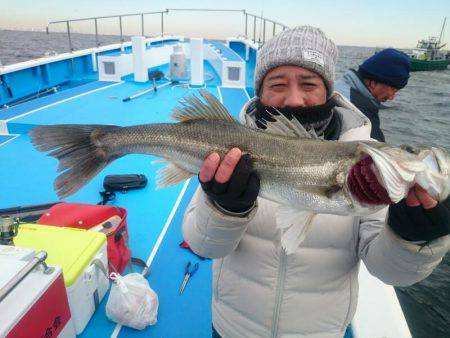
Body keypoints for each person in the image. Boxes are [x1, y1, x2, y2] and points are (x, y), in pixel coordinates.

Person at [182, 26, 450, 338]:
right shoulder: (233, 150)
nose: (295, 99)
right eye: (278, 84)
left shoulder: (366, 170)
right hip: (233, 328)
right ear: (260, 92)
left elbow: (390, 271)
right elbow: (202, 245)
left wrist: (413, 238)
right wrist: (222, 208)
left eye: (309, 84)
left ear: (328, 91)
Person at [334, 48, 411, 142]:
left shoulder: (338, 85)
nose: (392, 97)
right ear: (373, 83)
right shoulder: (360, 109)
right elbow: (377, 151)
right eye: (393, 90)